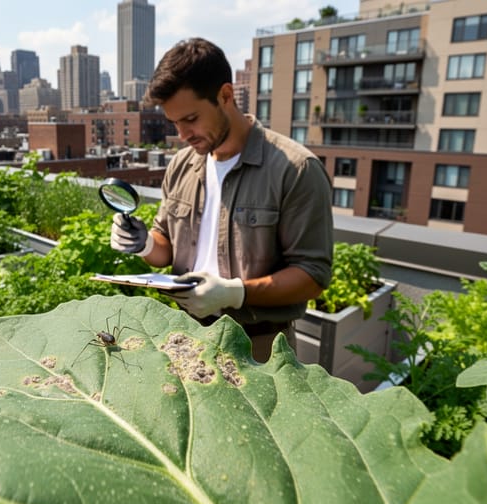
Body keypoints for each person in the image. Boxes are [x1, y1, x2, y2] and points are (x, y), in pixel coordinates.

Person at [110, 37, 334, 362]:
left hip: (259, 350)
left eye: (190, 119)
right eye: (174, 123)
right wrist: (143, 243)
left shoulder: (295, 169)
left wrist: (234, 294)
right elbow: (165, 250)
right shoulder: (181, 165)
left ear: (226, 95)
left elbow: (312, 275)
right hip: (185, 340)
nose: (183, 134)